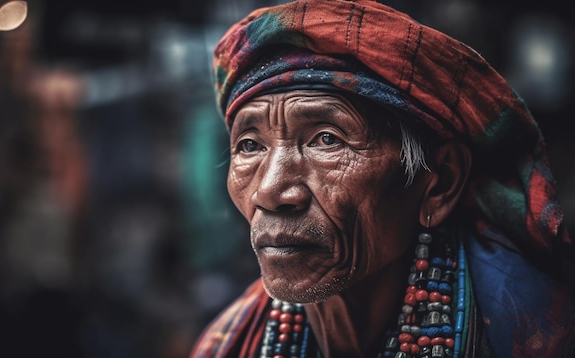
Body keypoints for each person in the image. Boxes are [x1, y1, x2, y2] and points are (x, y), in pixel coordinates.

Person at [190, 0, 575, 357]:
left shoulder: (539, 331)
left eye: (327, 139)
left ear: (439, 182)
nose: (270, 190)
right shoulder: (226, 344)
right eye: (250, 145)